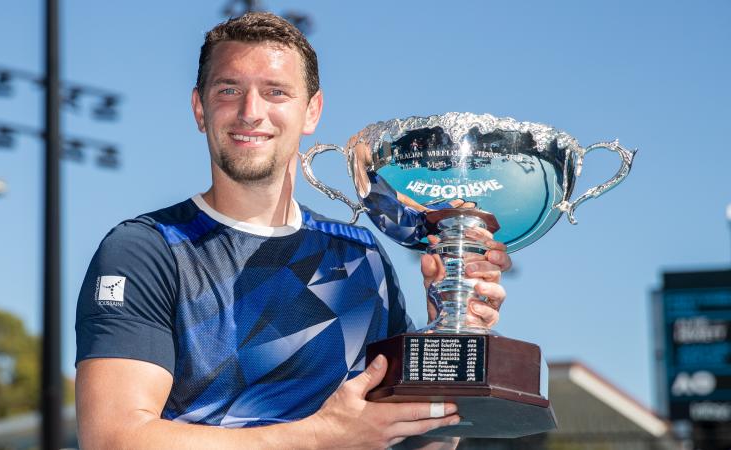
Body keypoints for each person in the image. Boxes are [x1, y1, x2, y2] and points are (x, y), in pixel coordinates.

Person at [75, 12, 512, 450]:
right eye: (229, 90)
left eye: (275, 92)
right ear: (199, 108)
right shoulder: (146, 250)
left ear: (312, 111)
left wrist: (449, 330)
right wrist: (320, 436)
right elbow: (114, 437)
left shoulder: (360, 254)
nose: (251, 112)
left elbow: (424, 442)